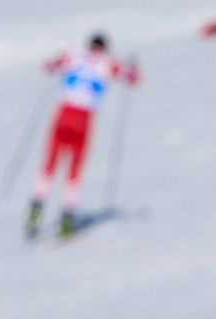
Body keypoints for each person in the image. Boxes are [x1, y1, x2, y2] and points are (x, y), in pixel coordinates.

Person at [26, 32, 139, 239]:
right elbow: (132, 78)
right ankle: (67, 217)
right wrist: (132, 67)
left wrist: (59, 61)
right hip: (83, 121)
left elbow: (49, 66)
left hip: (62, 116)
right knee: (74, 170)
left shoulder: (74, 55)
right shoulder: (107, 63)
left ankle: (36, 206)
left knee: (49, 164)